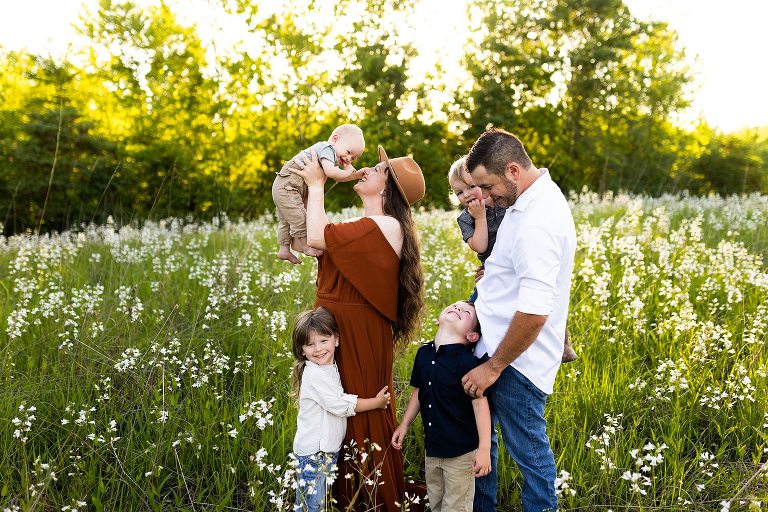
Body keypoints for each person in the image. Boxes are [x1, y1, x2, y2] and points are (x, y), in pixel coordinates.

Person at [290, 144, 426, 512]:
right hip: (341, 326)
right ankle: (340, 489)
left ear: (386, 190)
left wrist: (317, 184)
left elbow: (319, 236)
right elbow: (315, 240)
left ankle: (369, 494)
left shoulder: (385, 224)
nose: (367, 169)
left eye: (378, 169)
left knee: (362, 404)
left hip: (359, 329)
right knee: (338, 404)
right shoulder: (370, 224)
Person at [460, 128, 577, 512]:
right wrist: (492, 272)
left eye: (489, 187)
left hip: (515, 364)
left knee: (531, 457)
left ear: (513, 170)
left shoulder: (537, 219)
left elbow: (535, 311)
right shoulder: (527, 200)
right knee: (483, 443)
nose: (485, 197)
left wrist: (493, 367)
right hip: (494, 345)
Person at [449, 155, 578, 363]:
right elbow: (480, 246)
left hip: (517, 262)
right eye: (459, 193)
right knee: (474, 309)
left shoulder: (502, 200)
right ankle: (463, 353)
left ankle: (562, 343)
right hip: (490, 269)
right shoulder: (466, 218)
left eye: (471, 187)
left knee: (544, 299)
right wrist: (480, 217)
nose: (467, 195)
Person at [391, 300, 492, 512]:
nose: (457, 309)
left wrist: (484, 448)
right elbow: (419, 392)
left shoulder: (467, 363)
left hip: (461, 454)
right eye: (454, 306)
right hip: (433, 449)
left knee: (455, 507)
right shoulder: (423, 354)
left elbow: (480, 404)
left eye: (466, 313)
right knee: (435, 502)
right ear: (438, 319)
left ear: (472, 336)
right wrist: (404, 424)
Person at [290, 307, 391, 512]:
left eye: (324, 341)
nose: (318, 349)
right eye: (310, 344)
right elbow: (340, 405)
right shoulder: (314, 374)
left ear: (336, 339)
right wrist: (376, 402)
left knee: (316, 503)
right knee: (311, 507)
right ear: (302, 349)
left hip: (326, 452)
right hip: (314, 454)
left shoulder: (330, 367)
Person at [272, 124, 366, 264]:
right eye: (348, 152)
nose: (348, 159)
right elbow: (332, 173)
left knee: (287, 219)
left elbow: (336, 176)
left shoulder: (330, 153)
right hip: (288, 188)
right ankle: (306, 245)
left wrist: (355, 175)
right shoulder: (327, 148)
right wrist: (348, 172)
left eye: (353, 159)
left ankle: (284, 249)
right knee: (299, 217)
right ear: (335, 139)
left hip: (285, 187)